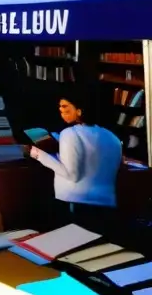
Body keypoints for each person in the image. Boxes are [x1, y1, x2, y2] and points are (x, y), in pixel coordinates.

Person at [29, 90, 122, 233]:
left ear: (79, 110)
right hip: (107, 202)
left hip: (76, 202)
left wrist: (39, 155)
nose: (61, 110)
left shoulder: (70, 133)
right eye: (59, 107)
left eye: (65, 106)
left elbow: (72, 175)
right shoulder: (112, 136)